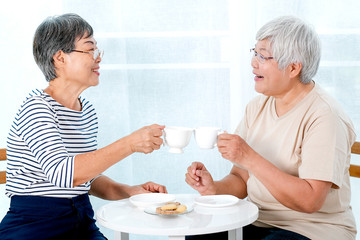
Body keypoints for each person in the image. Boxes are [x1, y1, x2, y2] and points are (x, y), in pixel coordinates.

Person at [185, 16, 357, 240]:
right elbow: (241, 177)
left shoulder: (325, 117)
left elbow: (310, 200)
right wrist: (213, 188)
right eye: (254, 53)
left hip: (313, 228)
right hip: (258, 221)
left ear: (294, 67)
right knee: (198, 235)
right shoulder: (257, 107)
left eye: (263, 56)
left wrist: (249, 156)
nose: (253, 63)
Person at [0, 13, 167, 240]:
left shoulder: (86, 111)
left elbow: (86, 179)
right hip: (33, 226)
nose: (98, 58)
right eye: (89, 49)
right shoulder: (37, 109)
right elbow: (65, 174)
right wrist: (130, 144)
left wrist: (131, 191)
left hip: (81, 223)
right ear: (60, 58)